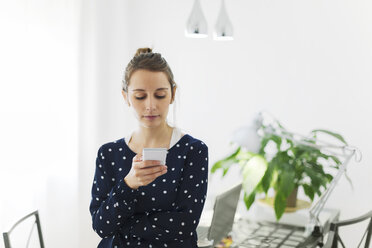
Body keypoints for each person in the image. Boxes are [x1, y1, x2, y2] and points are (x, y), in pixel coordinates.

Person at [89, 48, 209, 248]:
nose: (151, 105)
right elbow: (101, 226)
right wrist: (128, 184)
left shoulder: (193, 151)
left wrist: (124, 226)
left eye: (160, 95)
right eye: (140, 96)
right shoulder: (108, 153)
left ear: (172, 94)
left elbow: (184, 226)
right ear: (126, 96)